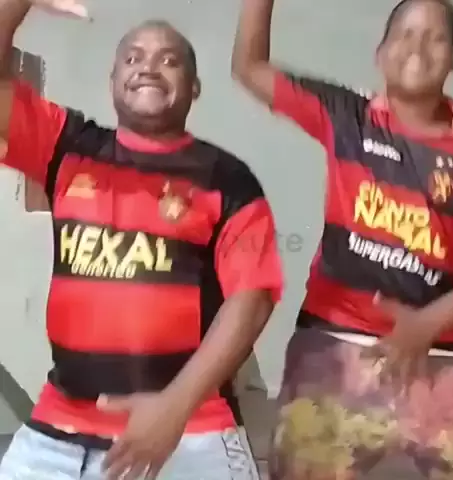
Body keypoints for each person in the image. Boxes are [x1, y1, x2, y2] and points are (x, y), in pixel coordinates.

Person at [0, 1, 283, 479]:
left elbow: (251, 301)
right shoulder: (66, 146)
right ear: (112, 81)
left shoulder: (227, 180)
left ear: (194, 87)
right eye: (132, 58)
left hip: (189, 426)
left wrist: (174, 407)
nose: (148, 67)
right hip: (58, 430)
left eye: (169, 60)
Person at [232, 0, 453, 478]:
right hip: (335, 339)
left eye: (435, 38)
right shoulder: (346, 115)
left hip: (449, 354)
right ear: (380, 53)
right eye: (404, 34)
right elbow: (250, 68)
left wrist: (427, 325)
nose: (417, 47)